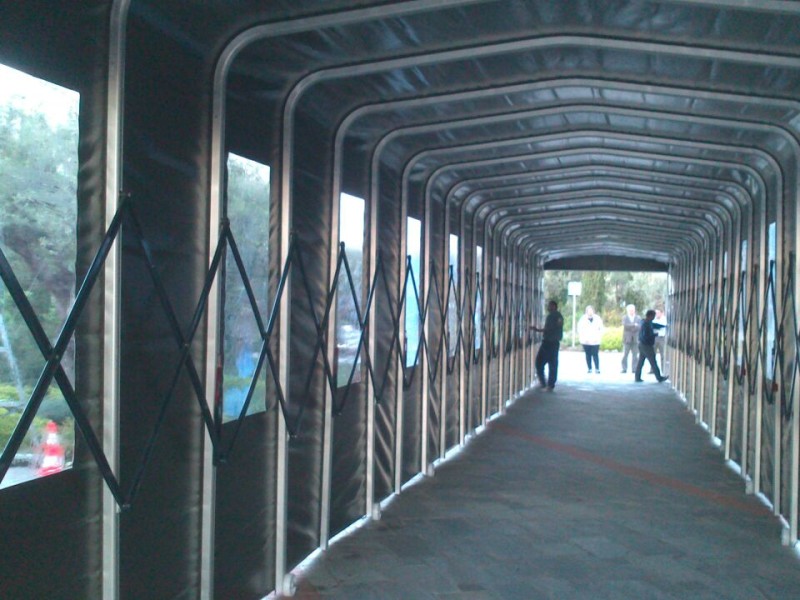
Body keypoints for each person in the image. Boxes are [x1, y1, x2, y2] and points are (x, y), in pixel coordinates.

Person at [530, 300, 564, 391]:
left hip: (548, 343)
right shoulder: (559, 316)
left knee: (539, 362)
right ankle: (550, 384)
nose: (548, 307)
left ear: (553, 306)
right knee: (553, 363)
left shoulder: (551, 316)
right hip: (555, 343)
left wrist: (536, 329)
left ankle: (543, 382)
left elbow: (548, 329)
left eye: (549, 306)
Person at [635, 309, 668, 383]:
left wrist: (663, 326)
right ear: (650, 316)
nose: (654, 317)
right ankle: (659, 377)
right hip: (646, 345)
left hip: (642, 344)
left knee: (641, 361)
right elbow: (646, 335)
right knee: (653, 361)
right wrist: (654, 335)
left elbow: (655, 325)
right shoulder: (646, 324)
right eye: (653, 316)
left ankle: (637, 377)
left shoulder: (645, 322)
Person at [577, 305, 603, 373]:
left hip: (595, 340)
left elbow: (601, 328)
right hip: (586, 341)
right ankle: (589, 368)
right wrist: (583, 338)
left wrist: (599, 337)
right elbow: (580, 329)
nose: (590, 312)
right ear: (586, 311)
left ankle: (597, 368)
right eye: (589, 311)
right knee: (588, 354)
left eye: (591, 311)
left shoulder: (597, 318)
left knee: (595, 354)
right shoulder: (582, 319)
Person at [620, 304, 641, 373]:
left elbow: (639, 327)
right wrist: (634, 325)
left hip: (635, 339)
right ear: (628, 311)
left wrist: (632, 326)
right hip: (627, 339)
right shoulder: (625, 317)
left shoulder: (638, 318)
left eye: (633, 310)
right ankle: (624, 368)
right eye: (630, 310)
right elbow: (625, 326)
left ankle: (634, 369)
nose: (632, 311)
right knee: (625, 354)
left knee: (635, 355)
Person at [652, 308, 667, 372]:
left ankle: (663, 369)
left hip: (661, 338)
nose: (656, 314)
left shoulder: (664, 319)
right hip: (654, 338)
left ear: (661, 313)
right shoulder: (654, 319)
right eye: (656, 313)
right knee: (652, 354)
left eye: (658, 313)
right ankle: (652, 369)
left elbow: (662, 326)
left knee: (663, 354)